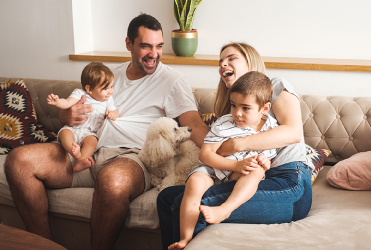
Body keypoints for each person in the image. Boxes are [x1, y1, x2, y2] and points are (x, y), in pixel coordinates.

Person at [4, 13, 209, 250]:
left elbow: (194, 124)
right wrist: (66, 115)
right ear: (128, 44)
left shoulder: (172, 80)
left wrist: (226, 152)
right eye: (145, 46)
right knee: (18, 161)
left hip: (131, 156)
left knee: (113, 181)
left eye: (159, 46)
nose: (154, 54)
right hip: (86, 148)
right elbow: (72, 109)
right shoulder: (109, 76)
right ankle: (45, 246)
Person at [157, 42, 314, 250]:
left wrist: (237, 144)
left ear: (251, 62)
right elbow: (217, 152)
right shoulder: (231, 115)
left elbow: (293, 132)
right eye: (221, 61)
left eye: (231, 58)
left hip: (288, 181)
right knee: (166, 199)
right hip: (248, 175)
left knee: (191, 206)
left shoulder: (275, 86)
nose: (223, 64)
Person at [169, 71, 279, 250]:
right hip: (215, 169)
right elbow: (205, 154)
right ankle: (185, 238)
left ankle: (225, 209)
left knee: (257, 170)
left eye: (245, 108)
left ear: (264, 109)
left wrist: (264, 161)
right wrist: (235, 164)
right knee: (195, 182)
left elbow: (269, 156)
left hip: (239, 175)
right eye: (233, 105)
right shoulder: (224, 123)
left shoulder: (271, 128)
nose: (237, 113)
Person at [47, 62, 119, 173]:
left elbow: (115, 112)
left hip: (90, 133)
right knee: (64, 133)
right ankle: (73, 150)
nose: (110, 91)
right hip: (74, 128)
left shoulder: (108, 99)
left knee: (92, 142)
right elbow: (67, 103)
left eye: (112, 87)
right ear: (89, 89)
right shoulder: (80, 93)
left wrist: (112, 114)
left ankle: (81, 160)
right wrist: (57, 102)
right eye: (105, 88)